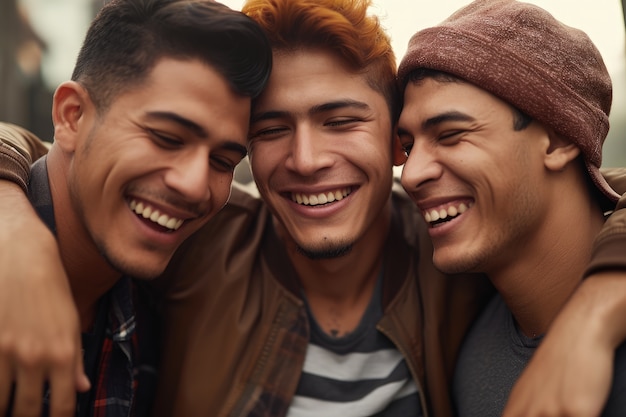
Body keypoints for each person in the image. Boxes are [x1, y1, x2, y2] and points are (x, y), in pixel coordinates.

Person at [0, 0, 625, 416]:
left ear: (393, 138)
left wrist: (595, 311)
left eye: (340, 120)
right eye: (271, 130)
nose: (305, 159)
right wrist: (15, 233)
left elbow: (596, 191)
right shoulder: (202, 238)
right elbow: (58, 157)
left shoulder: (454, 251)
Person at [0, 0, 271, 415]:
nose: (195, 186)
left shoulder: (158, 303)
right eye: (166, 137)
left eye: (223, 162)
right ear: (72, 117)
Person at [396, 0, 626, 415]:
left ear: (558, 139)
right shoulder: (469, 345)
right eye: (409, 147)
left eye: (450, 135)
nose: (411, 175)